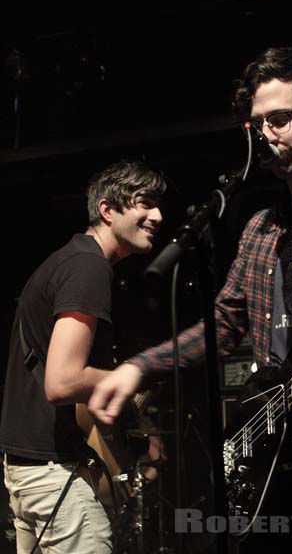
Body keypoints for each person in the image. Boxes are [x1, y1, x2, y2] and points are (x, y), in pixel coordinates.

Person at [88, 47, 292, 553]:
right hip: (278, 445)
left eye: (280, 119)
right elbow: (223, 324)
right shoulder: (258, 228)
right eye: (258, 125)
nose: (268, 136)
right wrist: (139, 367)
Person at [0, 159, 166, 554]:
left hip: (28, 470)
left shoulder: (71, 261)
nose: (158, 216)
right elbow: (62, 382)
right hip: (50, 476)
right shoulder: (87, 267)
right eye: (145, 203)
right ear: (107, 210)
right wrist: (129, 375)